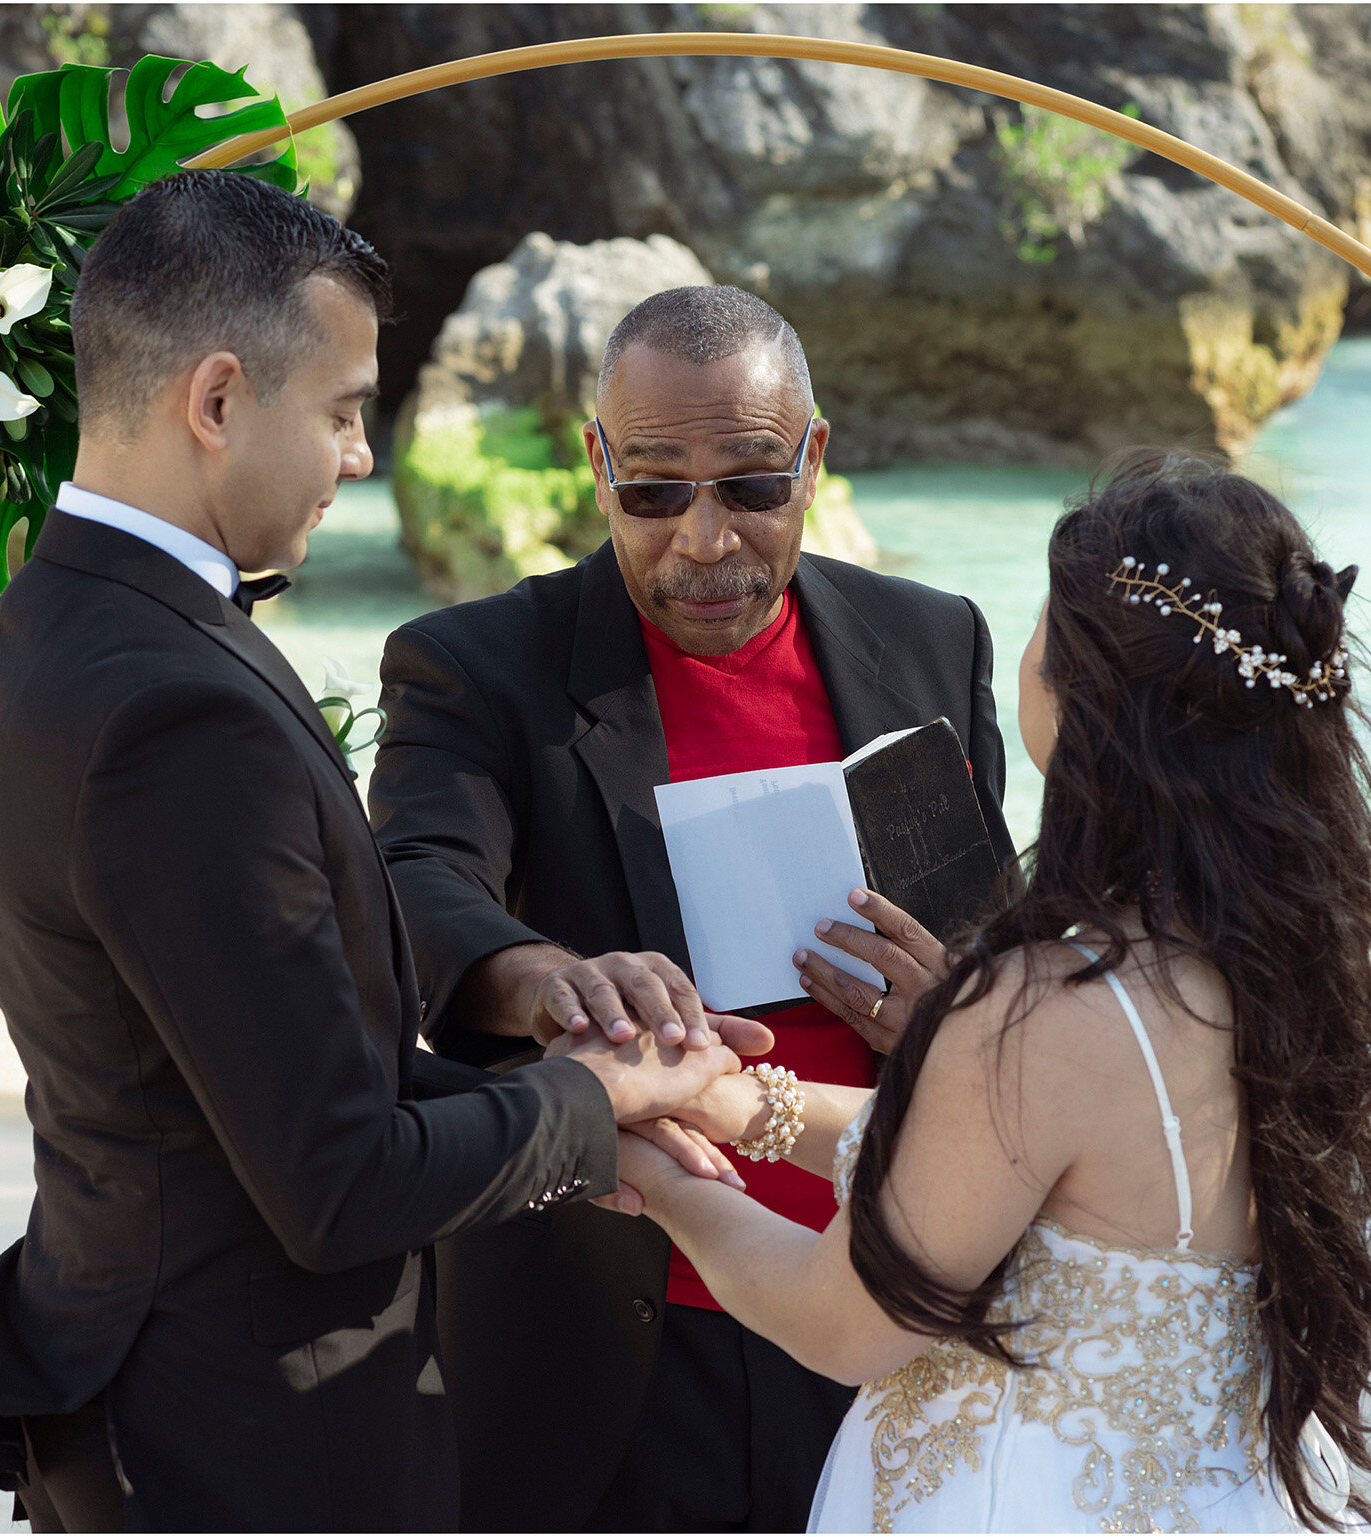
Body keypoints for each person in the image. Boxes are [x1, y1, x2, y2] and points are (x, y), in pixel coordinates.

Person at [0, 171, 764, 1533]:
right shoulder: (180, 715)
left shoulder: (17, 646)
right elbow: (336, 1182)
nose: (362, 457)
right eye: (345, 409)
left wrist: (569, 1106)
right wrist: (593, 1102)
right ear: (216, 400)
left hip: (117, 1375)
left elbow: (250, 1073)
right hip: (241, 1440)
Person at [613, 450, 1371, 1532]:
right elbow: (1041, 1176)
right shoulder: (1286, 954)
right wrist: (730, 1105)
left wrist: (655, 1175)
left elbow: (846, 1323)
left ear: (1093, 699)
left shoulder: (1046, 1003)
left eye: (1045, 628)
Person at [369, 285, 1019, 1530]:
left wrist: (956, 1012)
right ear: (596, 463)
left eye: (751, 486)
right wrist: (551, 974)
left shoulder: (933, 637)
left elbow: (1001, 937)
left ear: (813, 460)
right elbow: (408, 881)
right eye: (655, 490)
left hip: (889, 1296)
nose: (704, 540)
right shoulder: (476, 665)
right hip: (620, 1318)